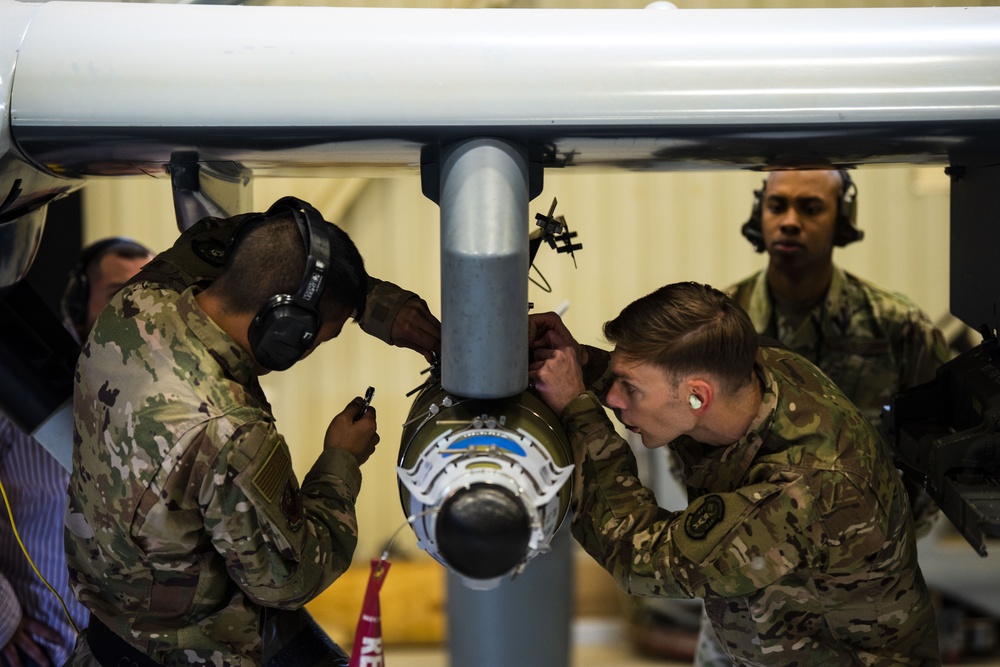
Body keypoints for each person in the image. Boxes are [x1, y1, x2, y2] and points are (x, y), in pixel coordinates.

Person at [63, 197, 441, 667]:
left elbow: (235, 236)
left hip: (106, 637)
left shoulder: (135, 301)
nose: (311, 349)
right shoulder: (230, 432)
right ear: (286, 330)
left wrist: (373, 303)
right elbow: (291, 579)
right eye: (320, 337)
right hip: (186, 652)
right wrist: (340, 461)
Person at [527, 281, 942, 666]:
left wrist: (578, 408)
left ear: (698, 397)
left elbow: (640, 557)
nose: (614, 399)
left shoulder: (807, 488)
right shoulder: (751, 372)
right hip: (768, 627)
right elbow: (665, 376)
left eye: (629, 388)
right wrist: (577, 361)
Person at [1, 238, 154, 667]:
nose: (135, 310)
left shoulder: (169, 396)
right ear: (78, 303)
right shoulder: (21, 385)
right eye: (117, 295)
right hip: (39, 651)